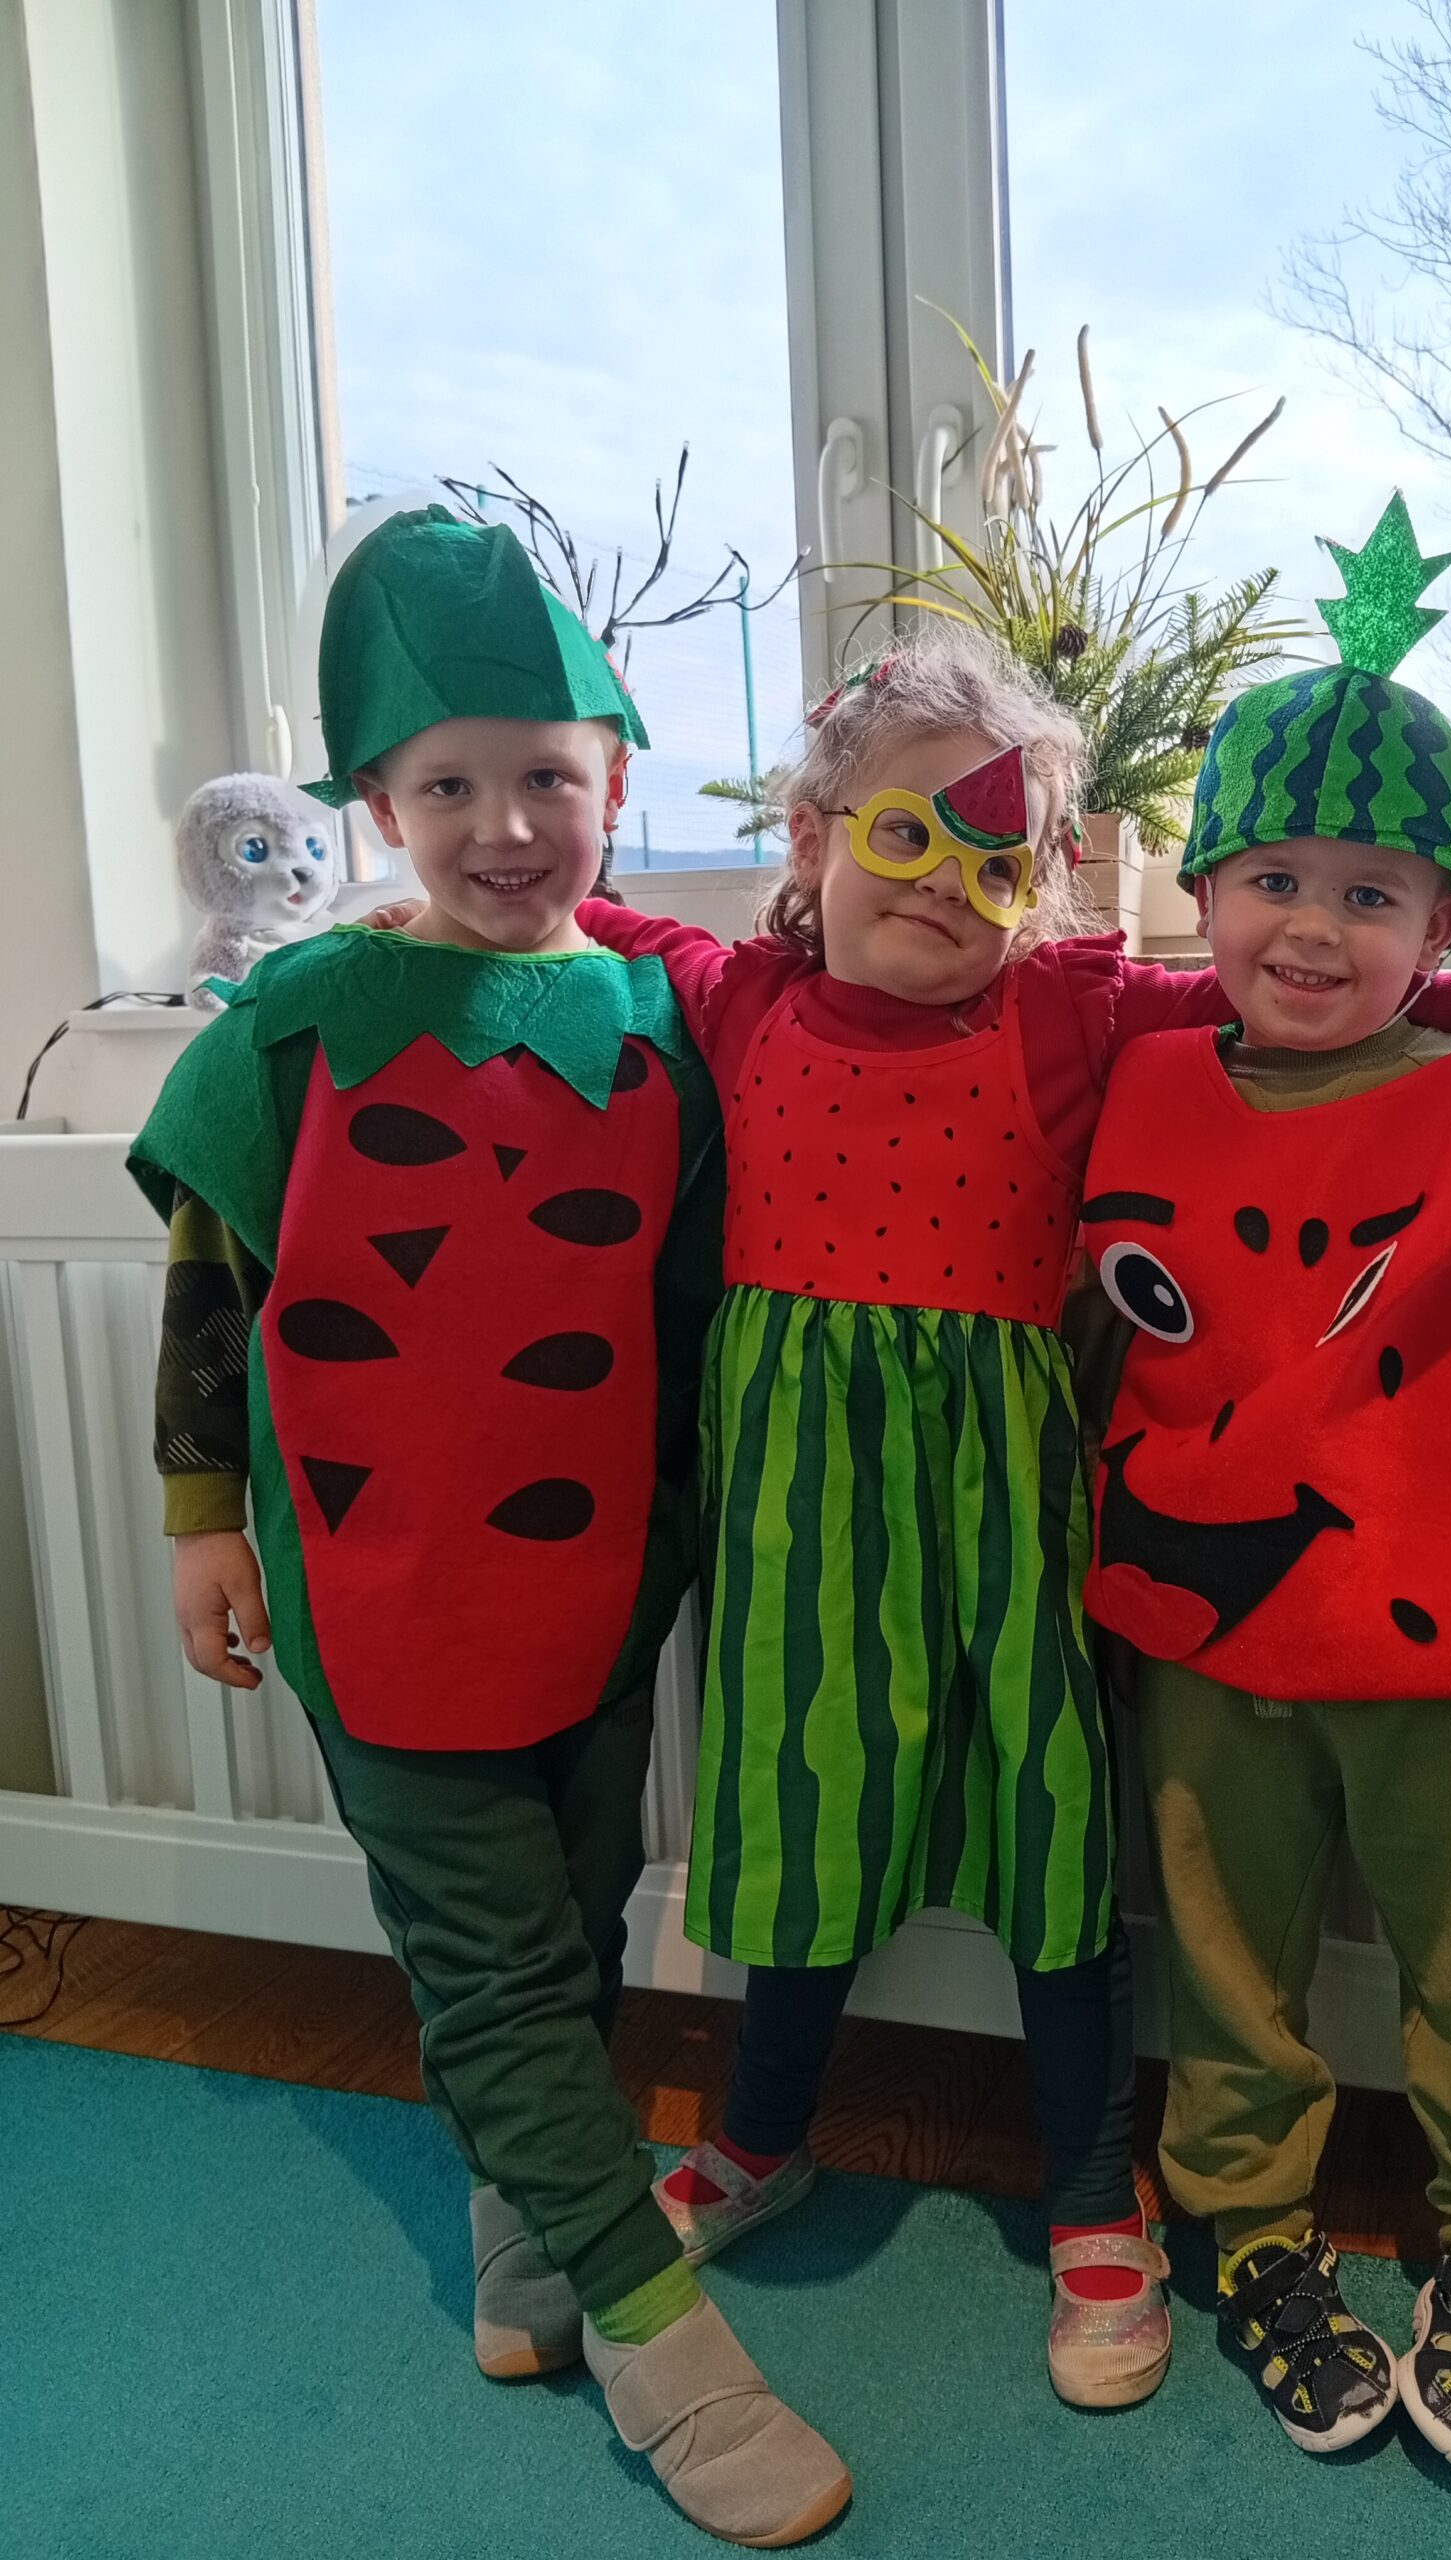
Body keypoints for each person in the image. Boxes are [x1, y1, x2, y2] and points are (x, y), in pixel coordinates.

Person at [550, 626, 1451, 2411]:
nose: (946, 887)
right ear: (810, 838)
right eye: (905, 836)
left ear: (1043, 887)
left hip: (1014, 1506)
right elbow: (559, 917)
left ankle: (1088, 2186)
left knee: (1054, 1833)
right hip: (801, 1519)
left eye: (996, 861)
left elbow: (1294, 982)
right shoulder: (727, 1000)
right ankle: (761, 2133)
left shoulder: (1065, 1010)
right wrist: (378, 925)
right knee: (800, 1811)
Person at [128, 506, 851, 2549]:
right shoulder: (302, 1014)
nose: (507, 826)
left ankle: (530, 2230)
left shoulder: (657, 1023)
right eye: (450, 787)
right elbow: (213, 1279)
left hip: (602, 1572)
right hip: (372, 1576)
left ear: (613, 775)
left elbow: (688, 1299)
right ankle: (663, 2343)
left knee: (574, 1915)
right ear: (379, 805)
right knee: (489, 1958)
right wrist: (201, 1518)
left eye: (546, 775)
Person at [1076, 496, 1451, 2482]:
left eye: (1369, 890)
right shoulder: (1135, 1080)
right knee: (1222, 1961)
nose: (1312, 927)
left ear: (1444, 928)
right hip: (1207, 1624)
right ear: (1204, 893)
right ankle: (1248, 2233)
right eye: (1270, 878)